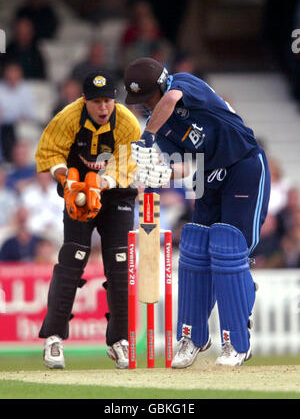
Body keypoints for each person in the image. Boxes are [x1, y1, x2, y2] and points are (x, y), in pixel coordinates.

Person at [124, 57, 271, 368]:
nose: (143, 106)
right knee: (195, 250)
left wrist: (147, 134)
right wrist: (163, 174)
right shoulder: (161, 127)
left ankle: (236, 342)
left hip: (243, 164)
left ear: (161, 85)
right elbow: (184, 165)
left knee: (231, 249)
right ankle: (193, 336)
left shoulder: (183, 84)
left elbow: (171, 98)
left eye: (146, 97)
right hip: (207, 173)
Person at [35, 70, 140, 369]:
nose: (103, 108)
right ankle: (53, 338)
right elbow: (49, 152)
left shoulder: (127, 122)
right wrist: (67, 180)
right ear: (84, 100)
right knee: (73, 257)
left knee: (120, 264)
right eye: (96, 102)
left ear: (115, 99)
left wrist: (103, 184)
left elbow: (127, 163)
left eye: (107, 100)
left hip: (115, 194)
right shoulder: (68, 117)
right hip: (77, 191)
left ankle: (119, 340)